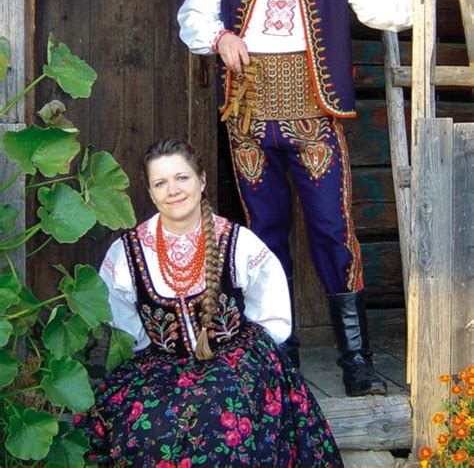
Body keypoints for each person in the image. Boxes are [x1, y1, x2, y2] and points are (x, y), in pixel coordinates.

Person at [177, 0, 445, 397]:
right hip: (249, 118)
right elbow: (191, 16)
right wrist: (220, 37)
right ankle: (279, 356)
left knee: (333, 232)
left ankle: (358, 362)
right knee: (265, 235)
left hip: (314, 115)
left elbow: (390, 12)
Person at [77, 138, 343, 467]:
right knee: (144, 419)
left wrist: (241, 356)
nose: (172, 190)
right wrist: (156, 349)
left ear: (201, 181)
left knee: (220, 407)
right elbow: (121, 318)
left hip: (236, 359)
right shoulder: (129, 252)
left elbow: (271, 314)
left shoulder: (237, 242)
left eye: (182, 178)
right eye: (160, 182)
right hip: (163, 364)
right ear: (150, 192)